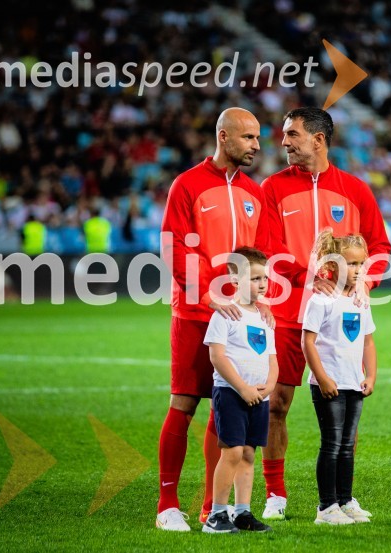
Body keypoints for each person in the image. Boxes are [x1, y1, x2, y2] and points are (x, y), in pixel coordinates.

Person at [260, 107, 391, 520]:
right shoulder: (272, 188)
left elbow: (380, 248)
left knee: (346, 409)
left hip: (342, 321)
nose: (284, 142)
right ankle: (275, 493)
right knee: (277, 404)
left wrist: (366, 282)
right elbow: (268, 247)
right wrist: (308, 276)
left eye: (292, 134)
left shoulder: (355, 189)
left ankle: (342, 496)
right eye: (284, 134)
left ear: (318, 139)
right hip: (287, 315)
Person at [156, 107, 273, 532]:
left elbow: (261, 254)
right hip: (195, 312)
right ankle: (167, 505)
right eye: (248, 137)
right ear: (223, 137)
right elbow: (174, 245)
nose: (256, 145)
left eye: (257, 138)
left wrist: (261, 298)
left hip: (240, 316)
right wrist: (205, 293)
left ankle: (213, 508)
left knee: (224, 410)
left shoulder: (254, 192)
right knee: (184, 403)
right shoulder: (187, 184)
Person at [302, 229, 377, 525]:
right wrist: (322, 378)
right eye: (351, 263)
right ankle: (326, 507)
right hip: (329, 384)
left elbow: (368, 342)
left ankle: (345, 501)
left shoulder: (361, 300)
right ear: (332, 265)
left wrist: (371, 375)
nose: (357, 270)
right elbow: (308, 342)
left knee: (347, 446)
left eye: (361, 264)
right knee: (332, 444)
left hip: (354, 383)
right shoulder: (321, 300)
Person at [202, 247, 277, 533]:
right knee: (232, 452)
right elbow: (217, 357)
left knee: (248, 453)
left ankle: (243, 512)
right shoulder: (225, 315)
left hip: (259, 396)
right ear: (234, 280)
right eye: (255, 278)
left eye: (264, 278)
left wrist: (270, 386)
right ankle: (216, 515)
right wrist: (243, 388)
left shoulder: (264, 318)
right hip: (232, 394)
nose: (262, 284)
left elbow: (272, 358)